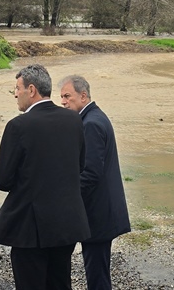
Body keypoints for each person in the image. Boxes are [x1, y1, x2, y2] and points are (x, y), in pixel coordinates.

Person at [0, 64, 90, 289]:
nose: (15, 94)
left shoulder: (18, 126)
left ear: (31, 90)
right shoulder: (73, 120)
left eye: (17, 88)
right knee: (60, 282)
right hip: (67, 222)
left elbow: (2, 180)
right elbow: (80, 166)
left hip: (30, 228)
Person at [59, 75, 130, 290]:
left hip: (97, 214)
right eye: (61, 96)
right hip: (100, 210)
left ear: (83, 95)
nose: (63, 101)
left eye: (67, 96)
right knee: (97, 271)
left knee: (97, 276)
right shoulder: (94, 117)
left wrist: (64, 197)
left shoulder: (90, 124)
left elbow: (90, 173)